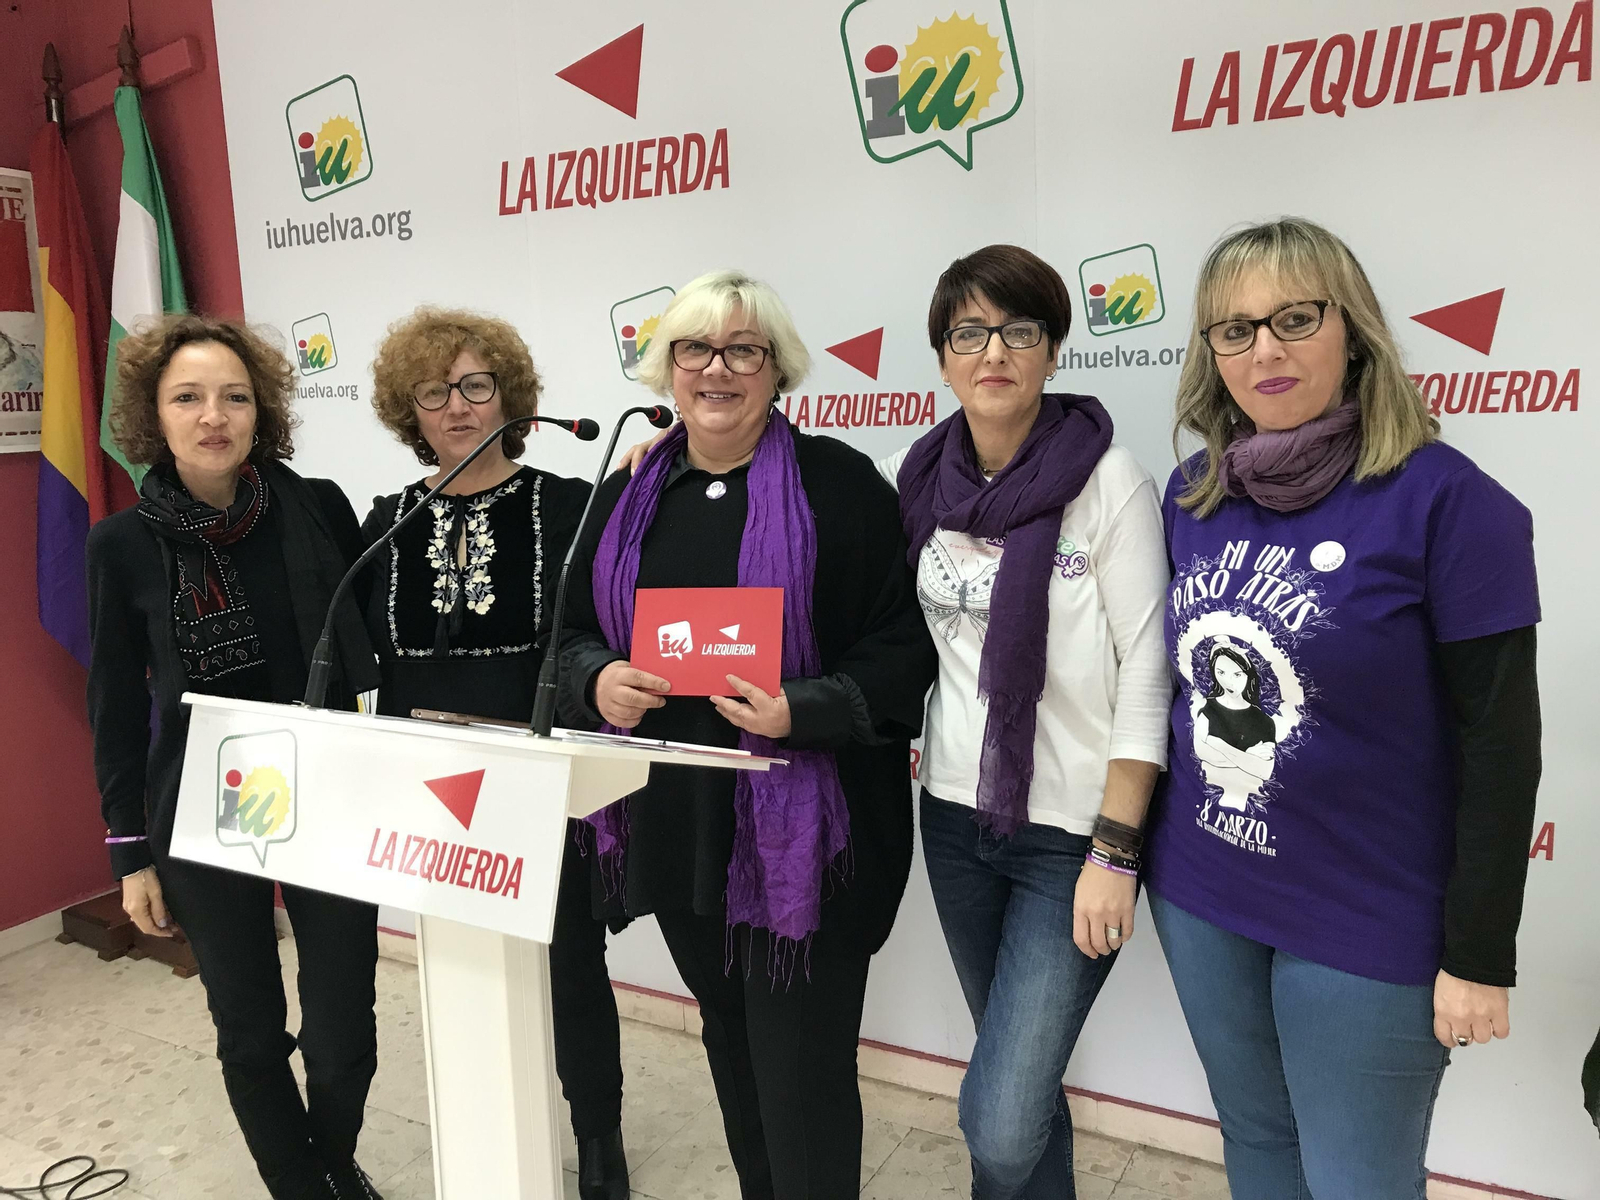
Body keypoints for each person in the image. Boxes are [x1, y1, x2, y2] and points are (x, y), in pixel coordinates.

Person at [1145, 217, 1542, 1199]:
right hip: (1202, 888)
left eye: (1295, 318)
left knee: (1358, 1181)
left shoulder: (1449, 503)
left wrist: (1479, 954)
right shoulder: (1195, 494)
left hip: (1367, 912)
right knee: (1257, 1142)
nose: (1265, 350)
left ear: (1352, 331)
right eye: (1235, 329)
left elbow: (1501, 746)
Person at [558, 270, 937, 1200]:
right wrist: (598, 678)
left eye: (743, 350)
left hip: (807, 840)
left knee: (801, 1071)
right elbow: (568, 637)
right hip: (680, 824)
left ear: (778, 370)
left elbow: (903, 646)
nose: (716, 369)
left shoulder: (840, 484)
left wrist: (802, 709)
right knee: (729, 1039)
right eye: (695, 348)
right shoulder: (628, 494)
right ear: (667, 368)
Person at [886, 245, 1170, 1198]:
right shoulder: (917, 479)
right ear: (942, 357)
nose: (994, 351)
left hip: (1072, 836)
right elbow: (805, 498)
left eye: (1019, 329)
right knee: (1023, 1079)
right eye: (969, 333)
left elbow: (1149, 673)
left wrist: (1116, 850)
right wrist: (665, 449)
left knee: (1005, 1120)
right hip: (954, 819)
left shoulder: (1108, 480)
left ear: (1053, 348)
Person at [86, 315, 385, 1200]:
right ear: (154, 414)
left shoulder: (317, 506)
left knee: (344, 1030)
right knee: (251, 1031)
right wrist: (129, 852)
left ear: (263, 411)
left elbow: (371, 637)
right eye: (188, 397)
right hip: (202, 809)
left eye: (234, 397)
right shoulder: (121, 545)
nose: (213, 416)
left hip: (327, 791)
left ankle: (332, 1160)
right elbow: (113, 705)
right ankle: (300, 1186)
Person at [359, 307, 628, 1199]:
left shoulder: (569, 504)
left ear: (509, 398)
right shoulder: (387, 522)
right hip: (431, 789)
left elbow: (597, 636)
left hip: (540, 775)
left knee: (571, 966)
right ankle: (485, 1130)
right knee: (463, 965)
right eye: (434, 392)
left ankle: (597, 1136)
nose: (458, 407)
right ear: (409, 411)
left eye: (476, 386)